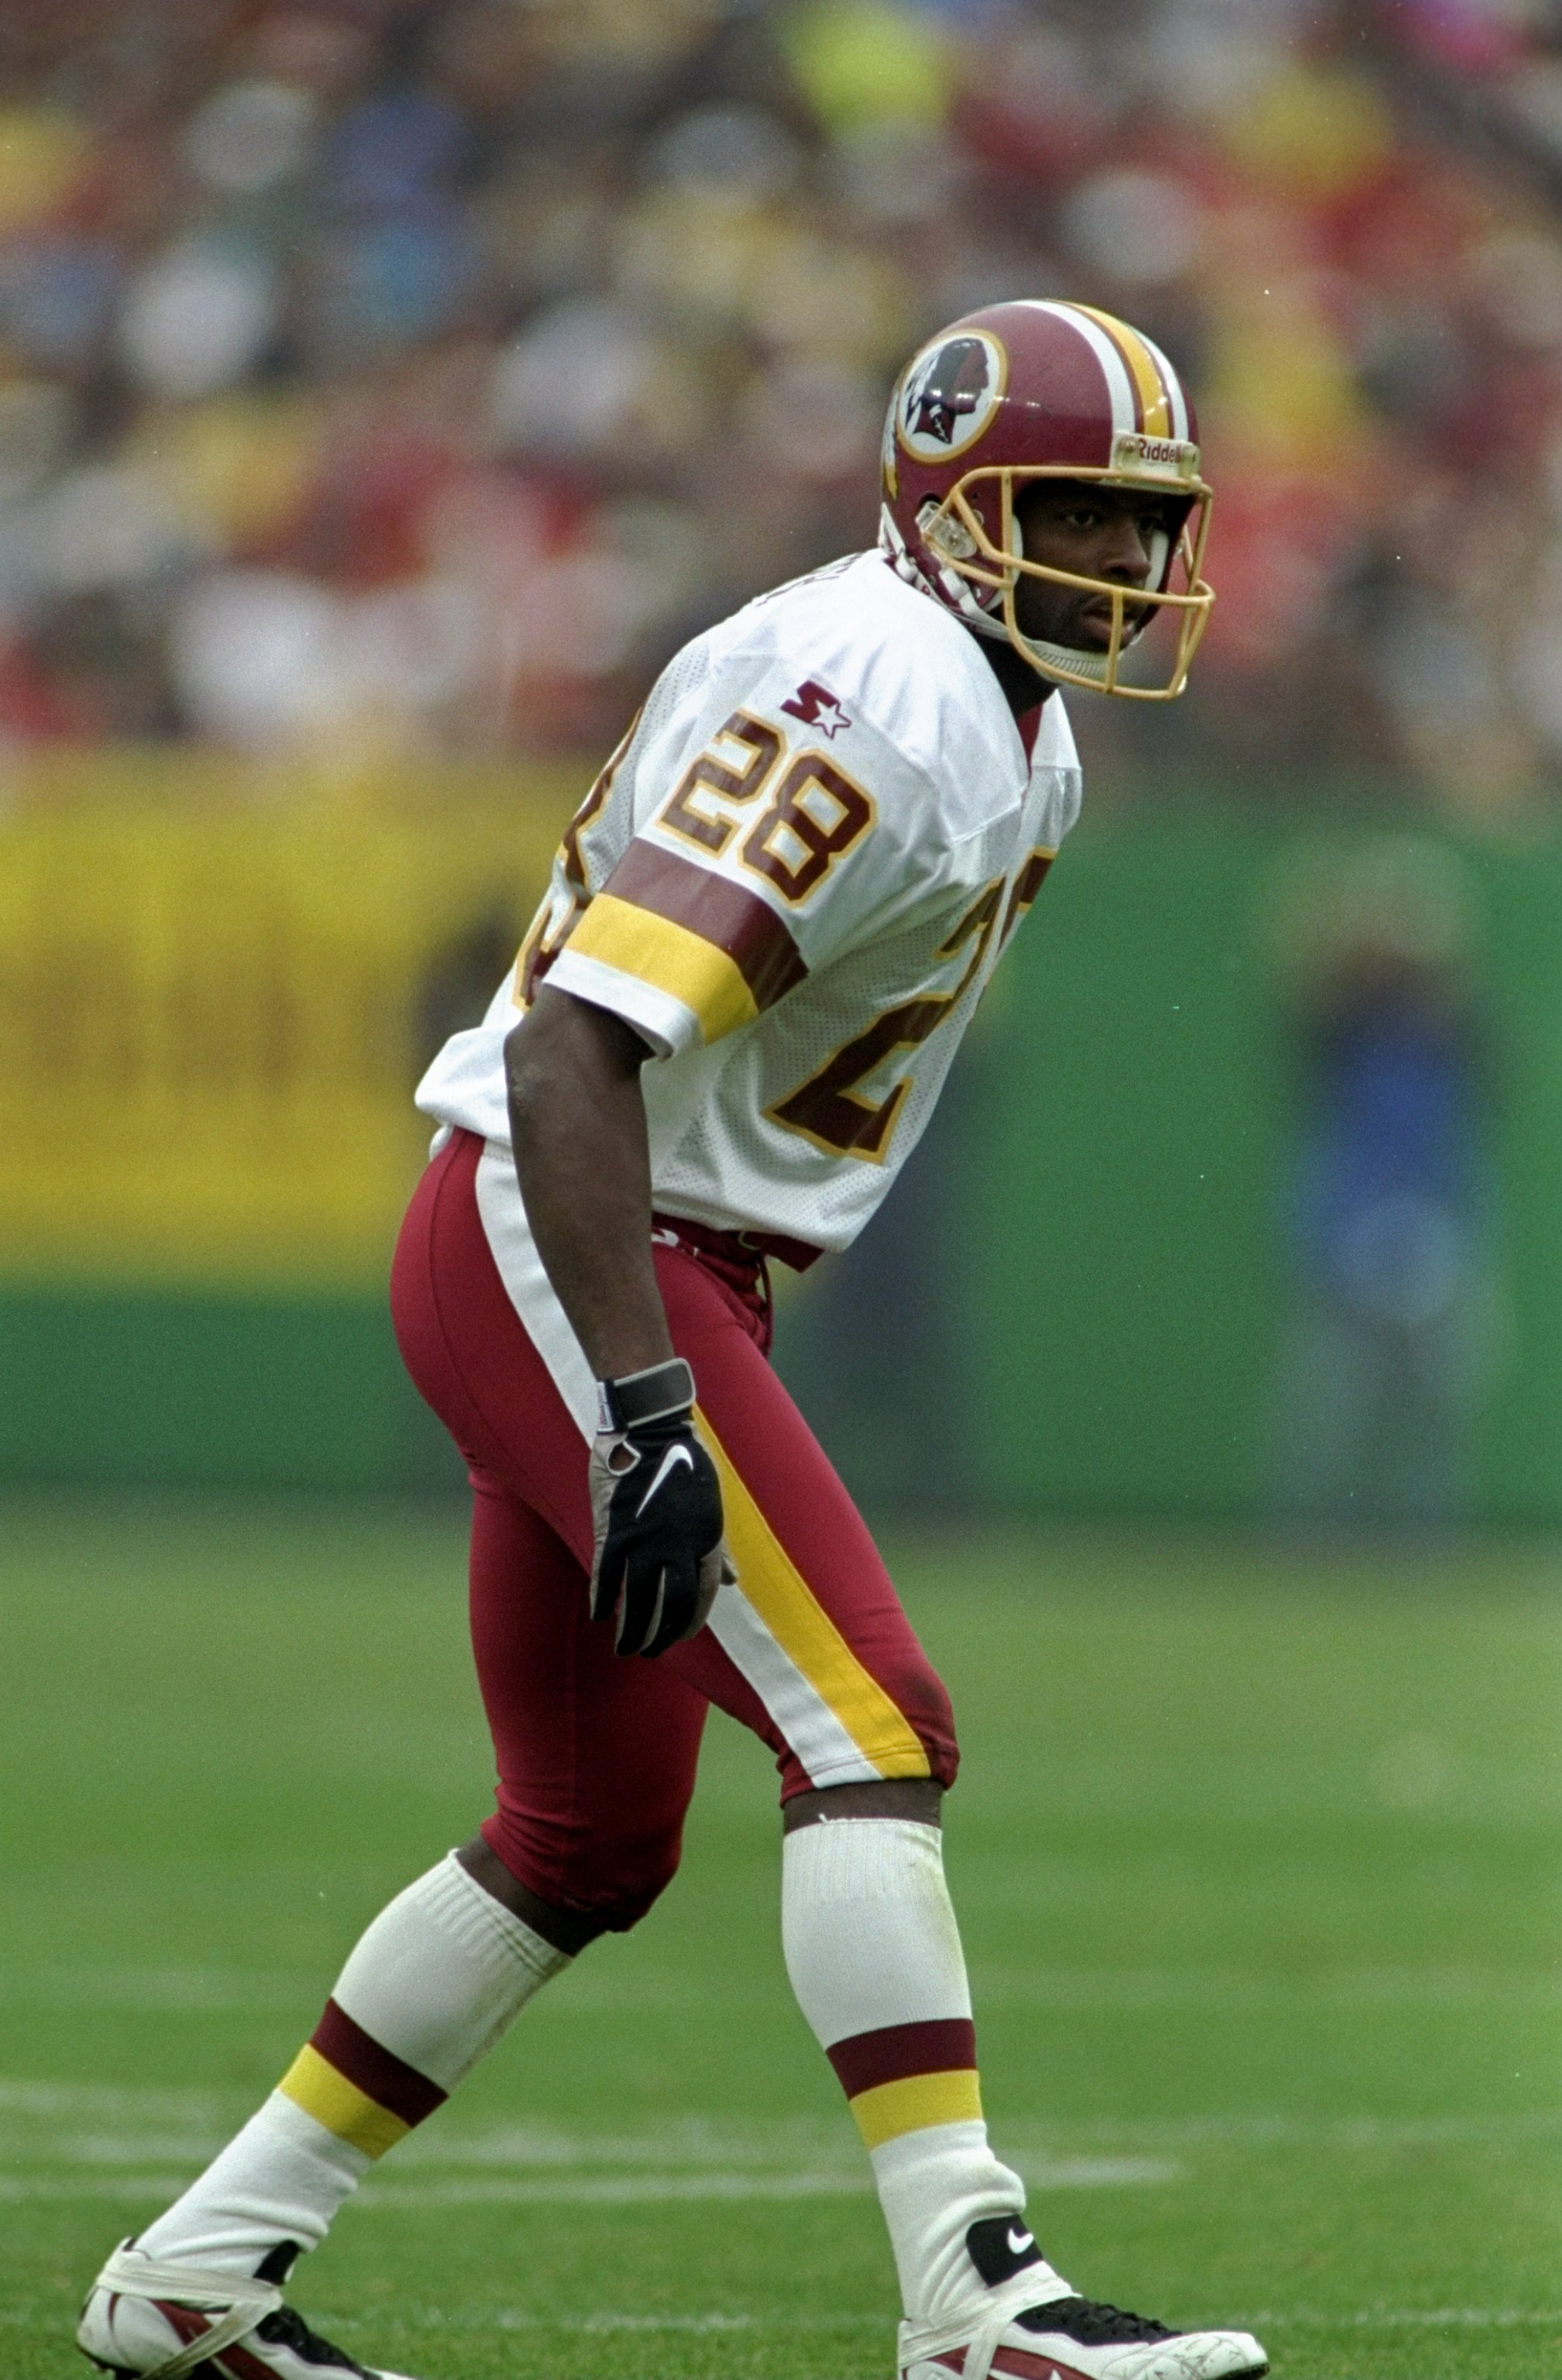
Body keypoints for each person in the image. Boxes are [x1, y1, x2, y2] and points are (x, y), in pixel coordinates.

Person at [77, 301, 1266, 2380]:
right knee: (871, 1724)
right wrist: (644, 1402)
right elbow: (570, 1050)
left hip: (636, 1246)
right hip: (581, 1228)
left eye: (1143, 520)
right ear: (946, 504)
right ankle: (972, 2292)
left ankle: (198, 2275)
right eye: (1071, 510)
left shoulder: (1009, 723)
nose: (1121, 561)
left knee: (589, 1838)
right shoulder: (885, 692)